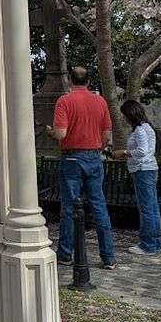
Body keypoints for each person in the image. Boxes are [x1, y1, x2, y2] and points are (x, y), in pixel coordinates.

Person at [46, 67, 116, 269]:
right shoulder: (100, 101)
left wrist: (51, 133)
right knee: (99, 206)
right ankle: (108, 257)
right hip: (94, 157)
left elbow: (61, 133)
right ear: (88, 81)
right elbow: (107, 136)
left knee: (69, 207)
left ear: (69, 80)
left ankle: (66, 254)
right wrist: (97, 148)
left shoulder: (65, 101)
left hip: (71, 159)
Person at [114, 100, 161, 256]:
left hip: (142, 170)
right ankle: (155, 241)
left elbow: (142, 151)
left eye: (124, 115)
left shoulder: (140, 130)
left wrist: (125, 153)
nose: (124, 118)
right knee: (152, 208)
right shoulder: (147, 128)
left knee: (147, 208)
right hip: (150, 169)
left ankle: (147, 244)